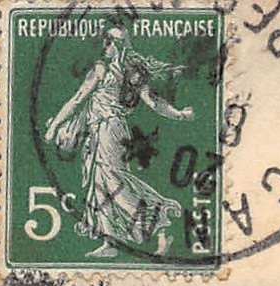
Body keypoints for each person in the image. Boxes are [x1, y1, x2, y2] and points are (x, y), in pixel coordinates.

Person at [43, 26, 193, 258]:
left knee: (114, 184)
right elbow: (154, 103)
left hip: (107, 130)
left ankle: (161, 226)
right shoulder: (132, 72)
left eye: (109, 42)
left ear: (115, 44)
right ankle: (110, 241)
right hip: (107, 131)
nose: (106, 46)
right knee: (100, 184)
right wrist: (180, 114)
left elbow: (77, 99)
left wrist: (54, 126)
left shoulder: (102, 69)